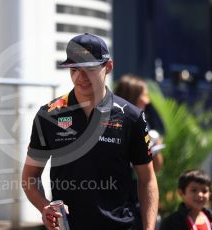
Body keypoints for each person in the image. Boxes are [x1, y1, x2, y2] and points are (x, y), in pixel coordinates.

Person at [21, 33, 159, 230]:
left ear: (108, 67)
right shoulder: (49, 114)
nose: (81, 77)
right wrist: (45, 207)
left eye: (90, 69)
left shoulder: (131, 116)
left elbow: (147, 179)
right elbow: (30, 176)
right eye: (74, 69)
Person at [114, 74, 164, 172]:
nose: (147, 101)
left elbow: (155, 168)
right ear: (131, 97)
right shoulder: (112, 125)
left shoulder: (143, 122)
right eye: (143, 95)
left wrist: (155, 147)